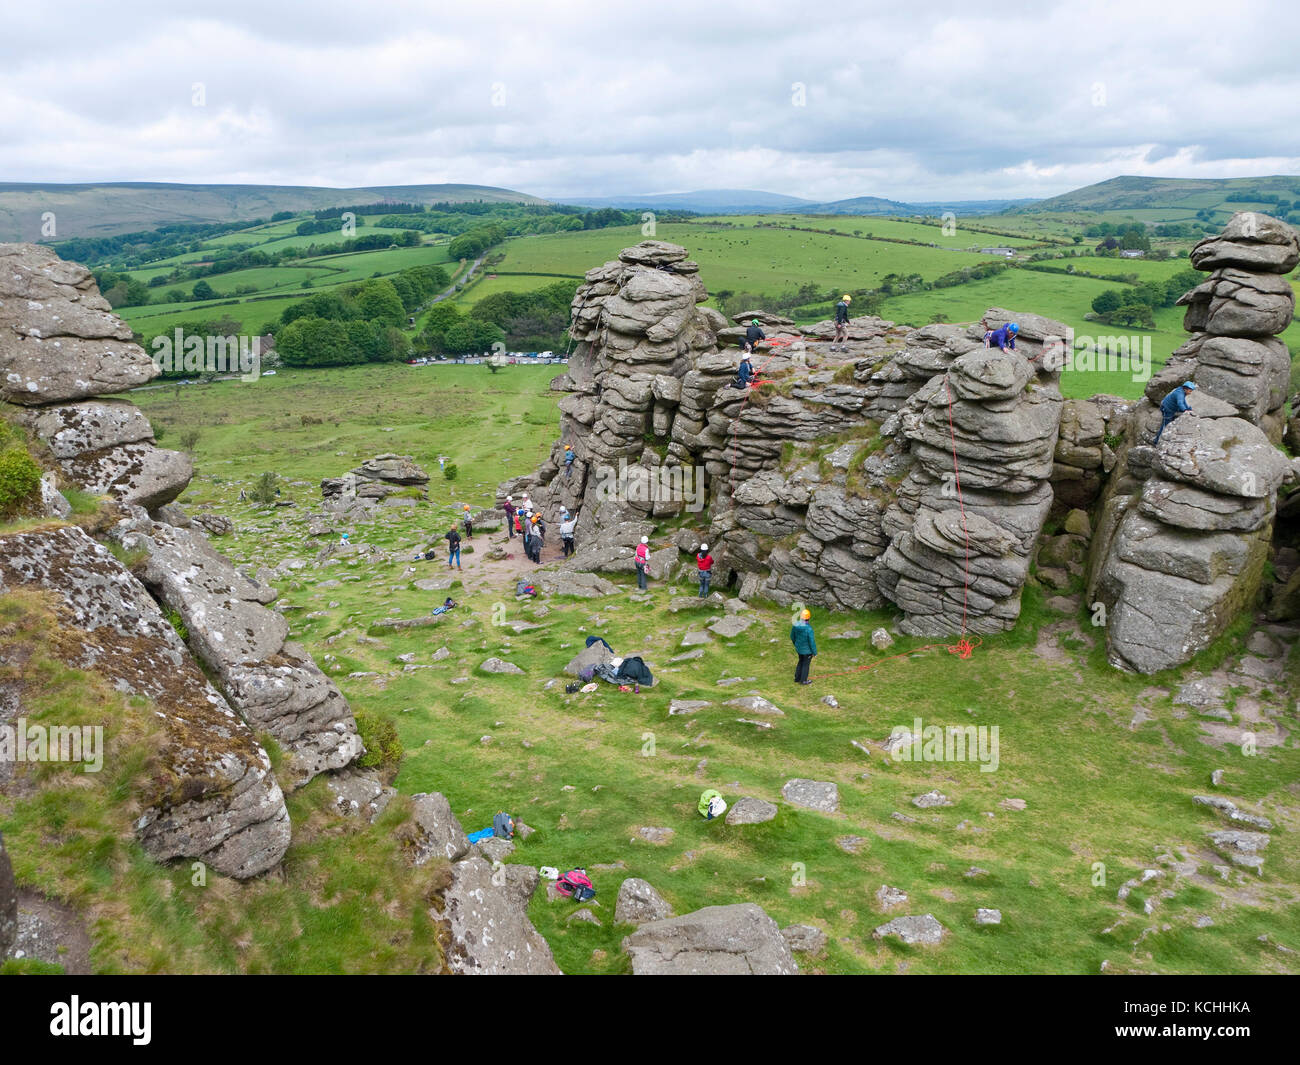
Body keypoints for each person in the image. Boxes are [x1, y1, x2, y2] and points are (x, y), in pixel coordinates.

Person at [791, 608, 817, 685]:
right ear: (808, 617)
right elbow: (811, 642)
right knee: (805, 665)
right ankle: (803, 680)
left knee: (800, 662)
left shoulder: (795, 625)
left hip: (799, 649)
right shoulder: (809, 629)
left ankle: (797, 678)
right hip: (807, 651)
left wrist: (796, 644)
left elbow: (792, 636)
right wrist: (814, 652)